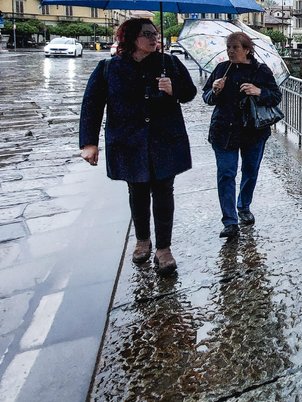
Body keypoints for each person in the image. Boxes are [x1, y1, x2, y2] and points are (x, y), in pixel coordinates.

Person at [79, 18, 197, 275]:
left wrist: (172, 89)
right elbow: (92, 104)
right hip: (129, 141)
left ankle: (164, 249)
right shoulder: (109, 68)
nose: (154, 37)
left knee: (164, 192)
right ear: (131, 37)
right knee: (138, 191)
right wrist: (89, 143)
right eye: (147, 34)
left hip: (165, 140)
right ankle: (143, 240)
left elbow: (190, 93)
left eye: (155, 33)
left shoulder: (170, 63)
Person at [202, 30, 282, 239]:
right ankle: (229, 221)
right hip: (223, 131)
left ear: (247, 50)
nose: (230, 51)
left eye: (235, 47)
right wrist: (215, 90)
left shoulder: (261, 71)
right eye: (228, 47)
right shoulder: (221, 69)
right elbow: (207, 98)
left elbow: (276, 97)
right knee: (226, 174)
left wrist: (259, 92)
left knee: (250, 172)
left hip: (253, 132)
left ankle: (243, 206)